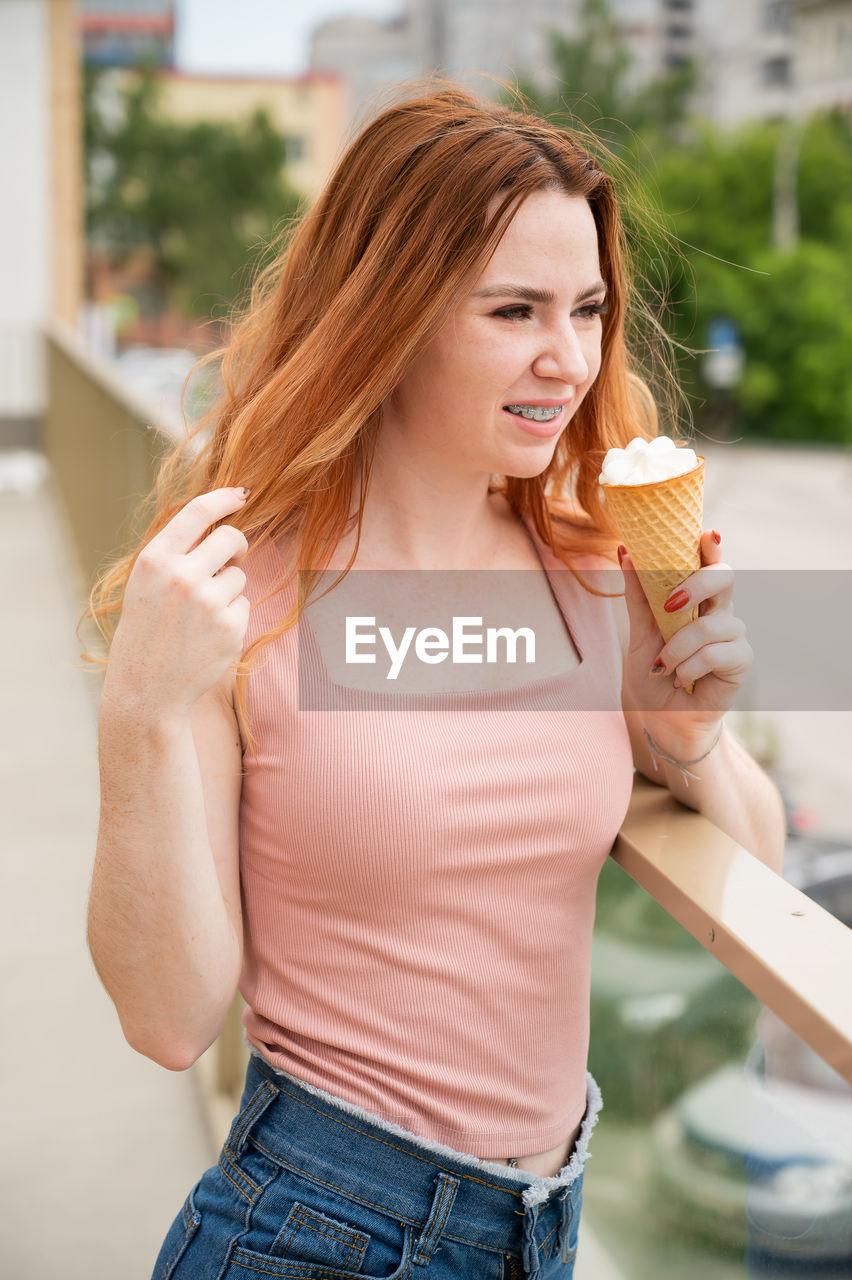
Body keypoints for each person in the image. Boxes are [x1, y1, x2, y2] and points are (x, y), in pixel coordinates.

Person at [85, 85, 786, 1279]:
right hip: (310, 1226)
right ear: (392, 314)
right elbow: (168, 1019)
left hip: (541, 1228)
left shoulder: (593, 568)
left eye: (586, 310)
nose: (566, 360)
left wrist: (689, 743)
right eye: (513, 310)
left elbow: (760, 887)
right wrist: (141, 717)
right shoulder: (245, 592)